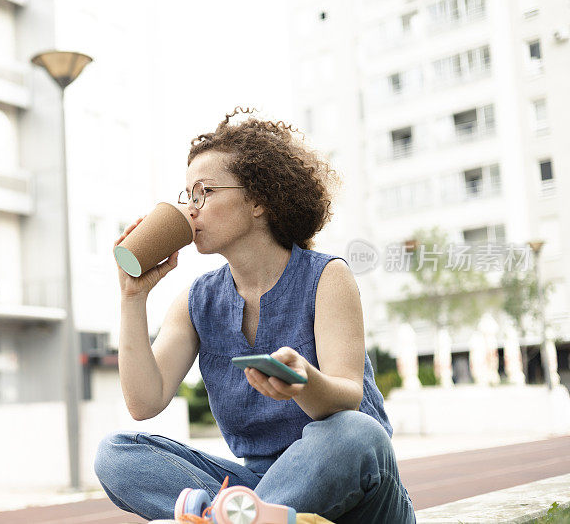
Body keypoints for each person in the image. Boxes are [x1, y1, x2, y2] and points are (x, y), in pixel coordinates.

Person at [94, 108, 415, 523]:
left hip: (357, 493)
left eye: (204, 192)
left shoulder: (326, 277)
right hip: (256, 490)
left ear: (259, 200)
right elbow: (143, 402)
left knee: (356, 433)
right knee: (117, 453)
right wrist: (132, 297)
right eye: (187, 196)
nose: (191, 209)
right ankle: (243, 517)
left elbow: (349, 396)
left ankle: (227, 517)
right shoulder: (197, 302)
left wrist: (303, 382)